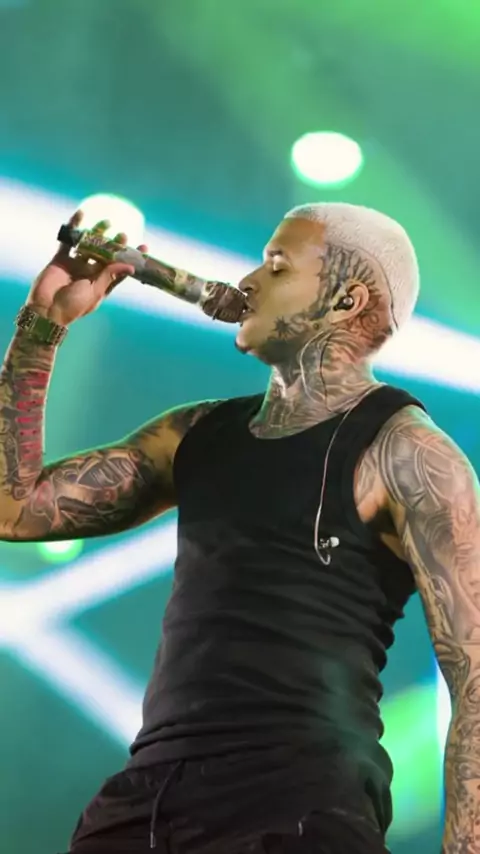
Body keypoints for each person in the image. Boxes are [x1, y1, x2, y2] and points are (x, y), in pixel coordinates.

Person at [0, 203, 478, 854]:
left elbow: (474, 677)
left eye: (277, 265)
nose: (248, 280)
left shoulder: (408, 454)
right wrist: (43, 325)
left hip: (297, 803)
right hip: (146, 801)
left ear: (347, 299)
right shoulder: (196, 433)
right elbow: (15, 509)